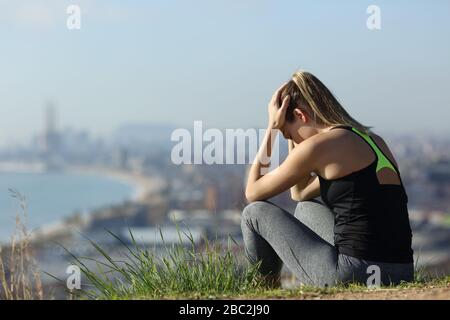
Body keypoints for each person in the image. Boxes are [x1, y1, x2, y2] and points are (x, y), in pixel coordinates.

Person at [241, 70, 414, 288]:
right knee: (305, 208)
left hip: (355, 274)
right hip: (401, 272)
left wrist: (273, 128)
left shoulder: (319, 146)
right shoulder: (374, 140)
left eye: (290, 134)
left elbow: (252, 192)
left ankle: (265, 292)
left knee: (253, 213)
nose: (293, 141)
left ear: (301, 116)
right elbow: (300, 193)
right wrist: (292, 134)